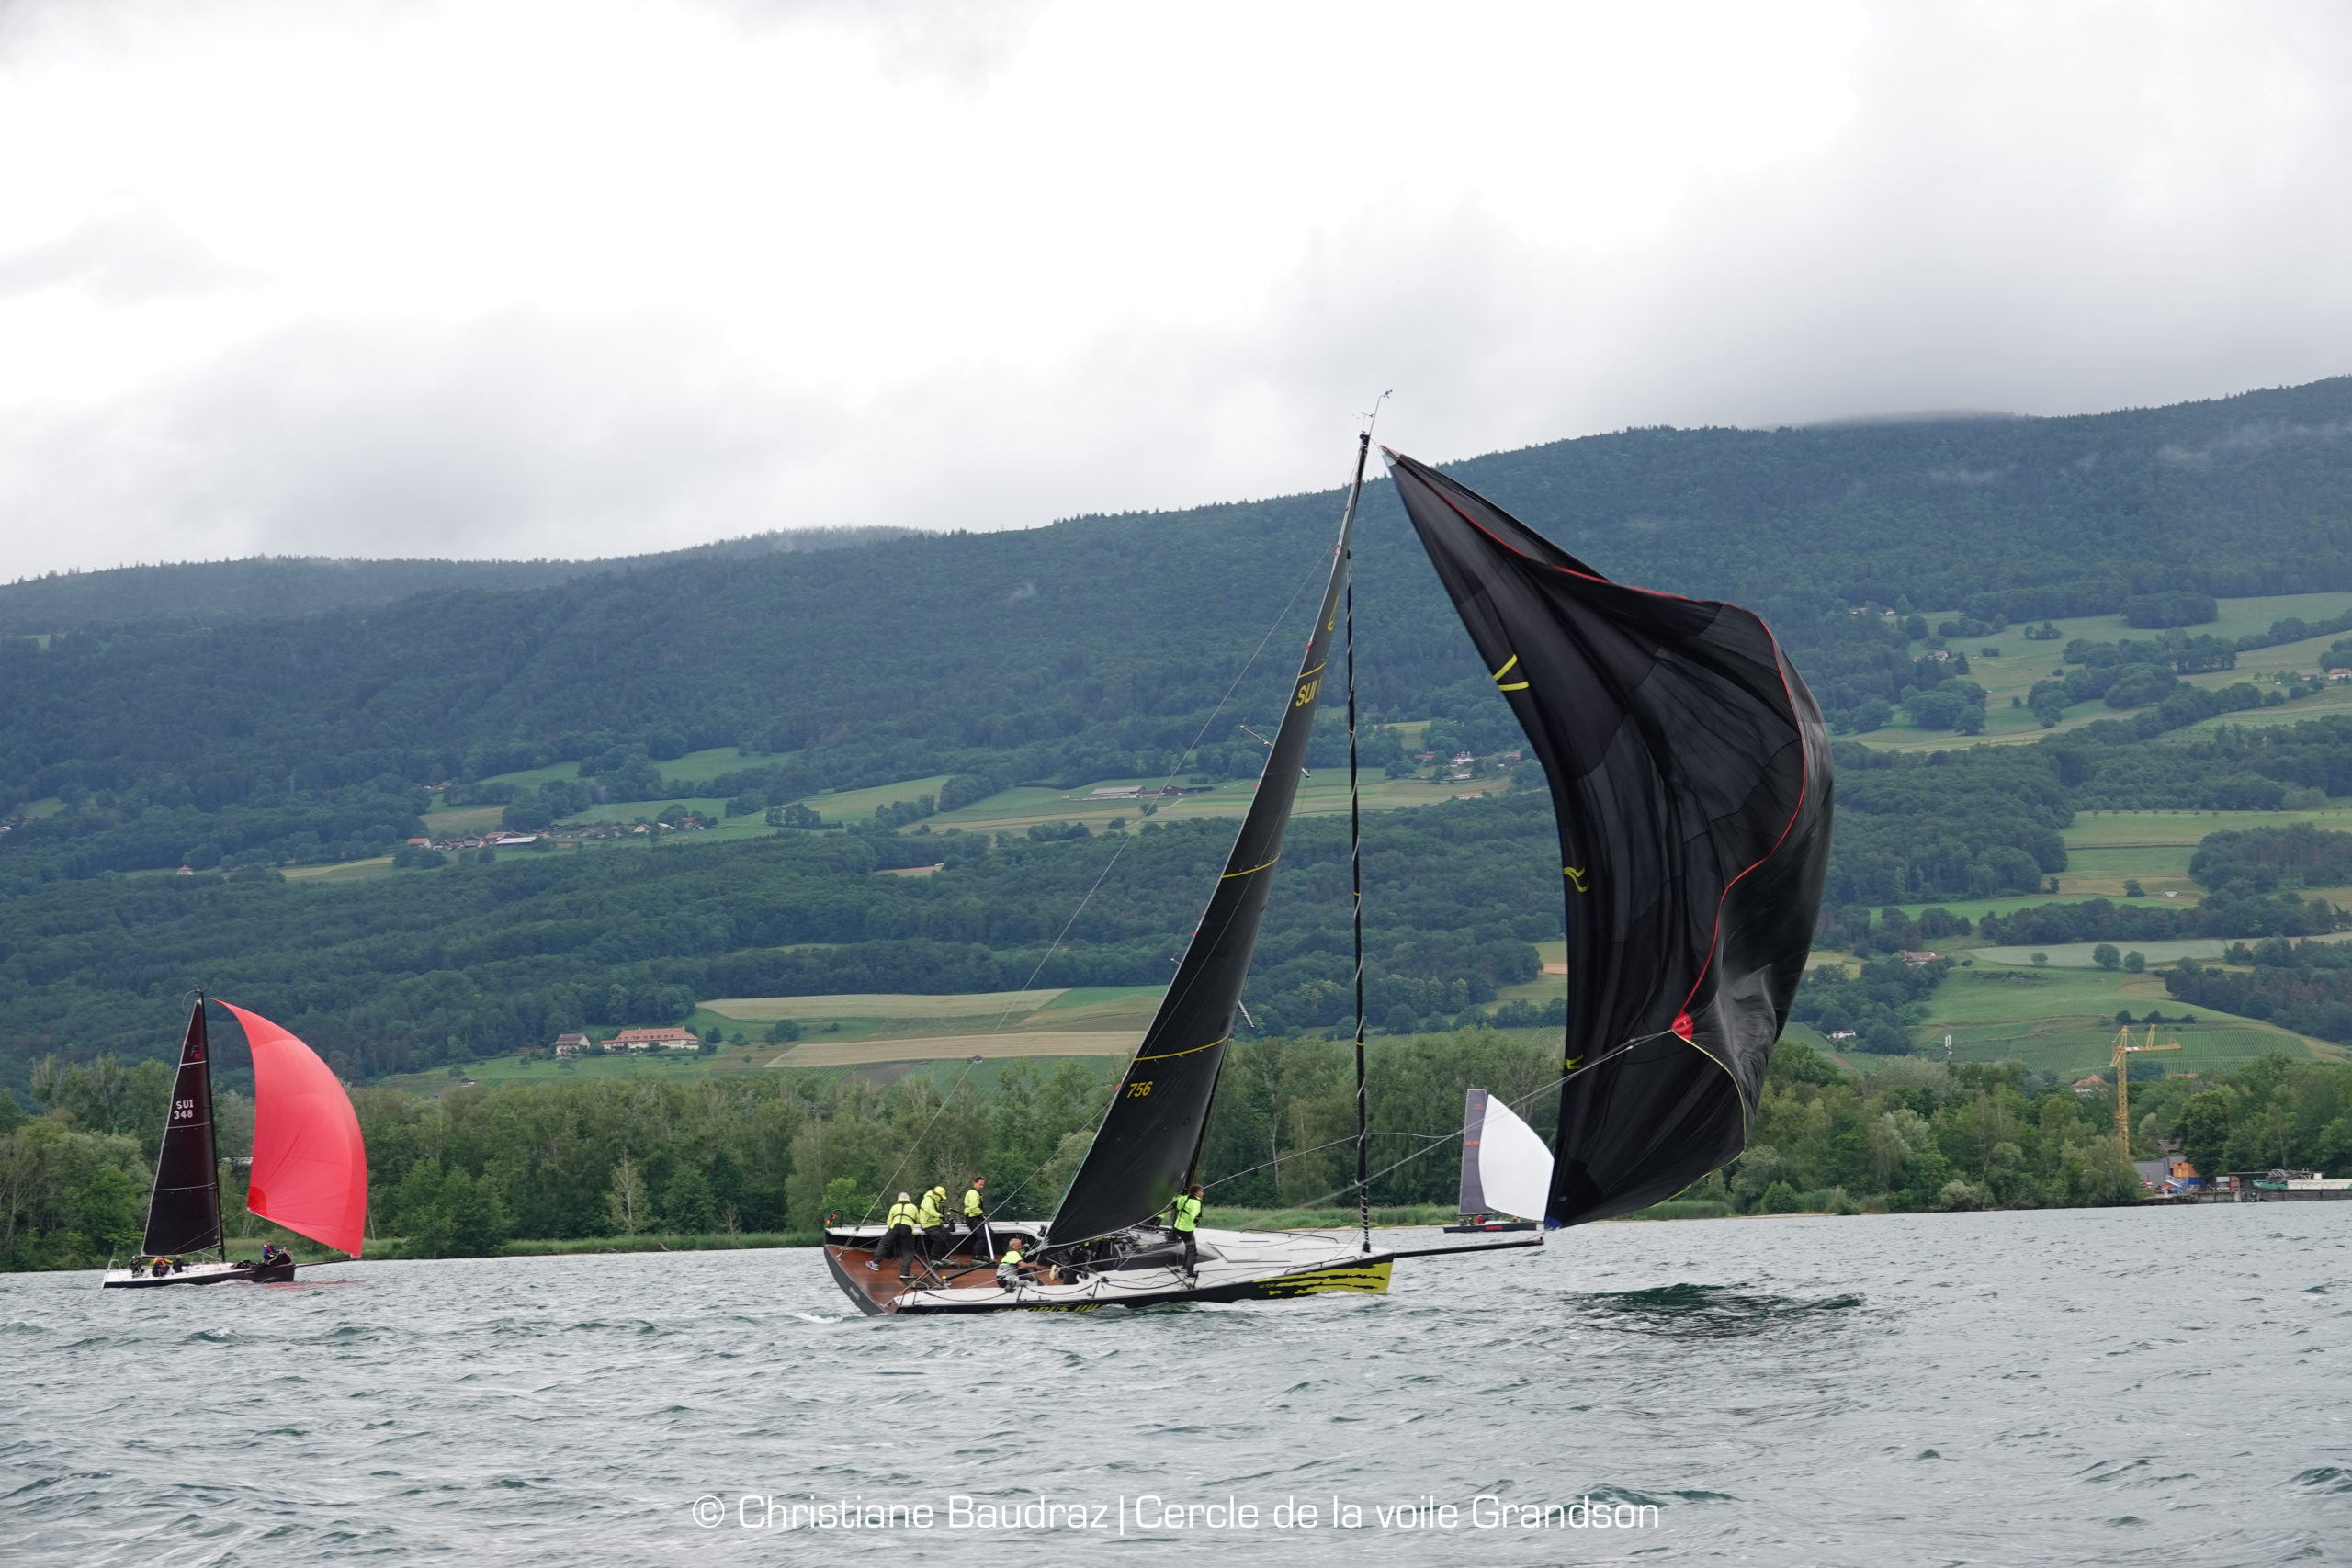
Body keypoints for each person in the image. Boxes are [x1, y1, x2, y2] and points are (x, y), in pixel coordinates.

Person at [871, 1192, 916, 1273]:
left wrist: (892, 1231)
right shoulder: (913, 1207)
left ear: (898, 1199)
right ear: (908, 1199)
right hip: (908, 1229)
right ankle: (905, 1273)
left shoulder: (894, 1207)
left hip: (895, 1227)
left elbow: (889, 1222)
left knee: (883, 1244)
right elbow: (917, 1219)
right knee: (908, 1250)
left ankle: (876, 1263)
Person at [911, 1184, 947, 1277]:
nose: (942, 1199)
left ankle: (942, 1257)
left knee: (945, 1236)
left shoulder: (934, 1200)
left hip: (935, 1223)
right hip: (928, 1224)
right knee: (938, 1238)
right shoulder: (928, 1199)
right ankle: (933, 1258)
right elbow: (929, 1210)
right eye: (941, 1197)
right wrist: (939, 1216)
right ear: (938, 1195)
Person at [1170, 1184, 1204, 1280]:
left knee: (1188, 1248)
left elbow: (1176, 1202)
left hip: (1178, 1227)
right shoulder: (1196, 1203)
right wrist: (1196, 1219)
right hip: (1186, 1229)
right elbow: (1193, 1215)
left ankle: (1184, 1267)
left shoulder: (1184, 1198)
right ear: (1197, 1193)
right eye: (1201, 1192)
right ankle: (1190, 1273)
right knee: (1193, 1251)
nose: (1203, 1194)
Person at [962, 1177, 989, 1259]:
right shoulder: (973, 1193)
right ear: (975, 1183)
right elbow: (974, 1208)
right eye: (980, 1184)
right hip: (972, 1218)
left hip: (977, 1217)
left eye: (983, 1185)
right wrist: (981, 1213)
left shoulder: (978, 1193)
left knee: (990, 1233)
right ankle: (976, 1255)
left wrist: (983, 1217)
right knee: (982, 1235)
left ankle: (984, 1254)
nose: (982, 1186)